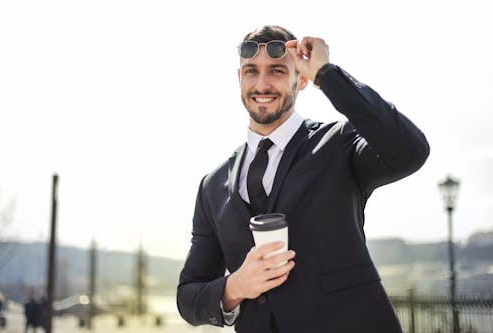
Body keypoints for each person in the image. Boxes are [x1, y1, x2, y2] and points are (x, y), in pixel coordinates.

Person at [177, 25, 430, 333]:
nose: (262, 83)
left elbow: (409, 150)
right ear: (239, 78)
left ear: (302, 79)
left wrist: (327, 73)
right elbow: (188, 296)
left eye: (278, 71)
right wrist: (234, 287)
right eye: (251, 71)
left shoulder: (339, 143)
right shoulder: (212, 186)